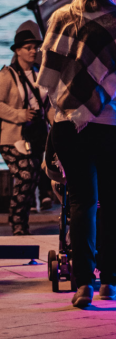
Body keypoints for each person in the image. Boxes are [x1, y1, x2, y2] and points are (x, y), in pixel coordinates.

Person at [39, 0, 116, 308]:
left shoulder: (60, 18)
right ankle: (109, 281)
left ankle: (82, 283)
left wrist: (56, 114)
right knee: (115, 201)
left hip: (70, 123)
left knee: (81, 201)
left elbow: (49, 78)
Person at [0, 22, 47, 235]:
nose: (33, 51)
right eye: (28, 47)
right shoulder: (7, 75)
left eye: (35, 47)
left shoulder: (39, 74)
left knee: (33, 177)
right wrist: (20, 115)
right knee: (26, 175)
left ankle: (22, 225)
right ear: (17, 51)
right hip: (11, 139)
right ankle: (17, 224)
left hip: (34, 136)